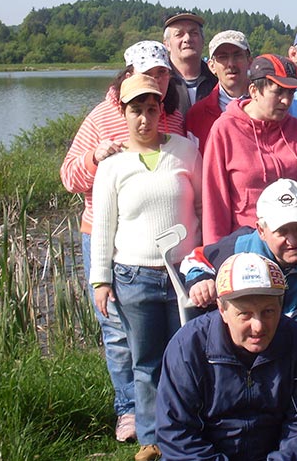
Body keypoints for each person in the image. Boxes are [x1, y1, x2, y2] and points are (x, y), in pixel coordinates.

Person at [180, 178, 297, 457]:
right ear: (261, 230)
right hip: (249, 364)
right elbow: (194, 259)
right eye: (282, 231)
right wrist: (201, 280)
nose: (294, 240)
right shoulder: (237, 249)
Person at [60, 40, 184, 443]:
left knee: (168, 340)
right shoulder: (101, 115)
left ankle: (169, 416)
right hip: (105, 232)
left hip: (161, 248)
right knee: (117, 331)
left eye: (163, 73)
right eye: (148, 73)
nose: (157, 80)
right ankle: (129, 410)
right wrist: (95, 158)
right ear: (128, 73)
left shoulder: (173, 115)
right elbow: (69, 177)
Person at [90, 73, 202, 461]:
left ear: (160, 112)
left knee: (186, 356)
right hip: (133, 276)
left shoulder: (185, 151)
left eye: (151, 109)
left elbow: (202, 207)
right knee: (147, 362)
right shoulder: (112, 166)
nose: (144, 118)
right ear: (123, 113)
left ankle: (188, 428)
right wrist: (101, 279)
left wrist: (202, 258)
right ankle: (151, 437)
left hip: (183, 274)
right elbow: (104, 225)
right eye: (136, 110)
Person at [156, 252, 297, 460]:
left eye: (268, 312)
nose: (258, 326)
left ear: (281, 306)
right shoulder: (188, 347)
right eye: (245, 314)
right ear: (222, 309)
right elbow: (177, 434)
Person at [202, 54, 297, 244]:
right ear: (254, 91)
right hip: (246, 246)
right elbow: (215, 200)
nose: (286, 101)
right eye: (278, 92)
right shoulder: (225, 130)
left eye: (291, 93)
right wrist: (216, 252)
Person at [186, 29, 253, 155]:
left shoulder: (267, 106)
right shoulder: (196, 116)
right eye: (223, 57)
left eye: (237, 55)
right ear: (212, 66)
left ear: (249, 61)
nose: (231, 64)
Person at [163, 12, 217, 116]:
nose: (187, 39)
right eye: (179, 34)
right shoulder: (160, 82)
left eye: (194, 33)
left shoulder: (217, 81)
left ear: (203, 41)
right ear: (167, 44)